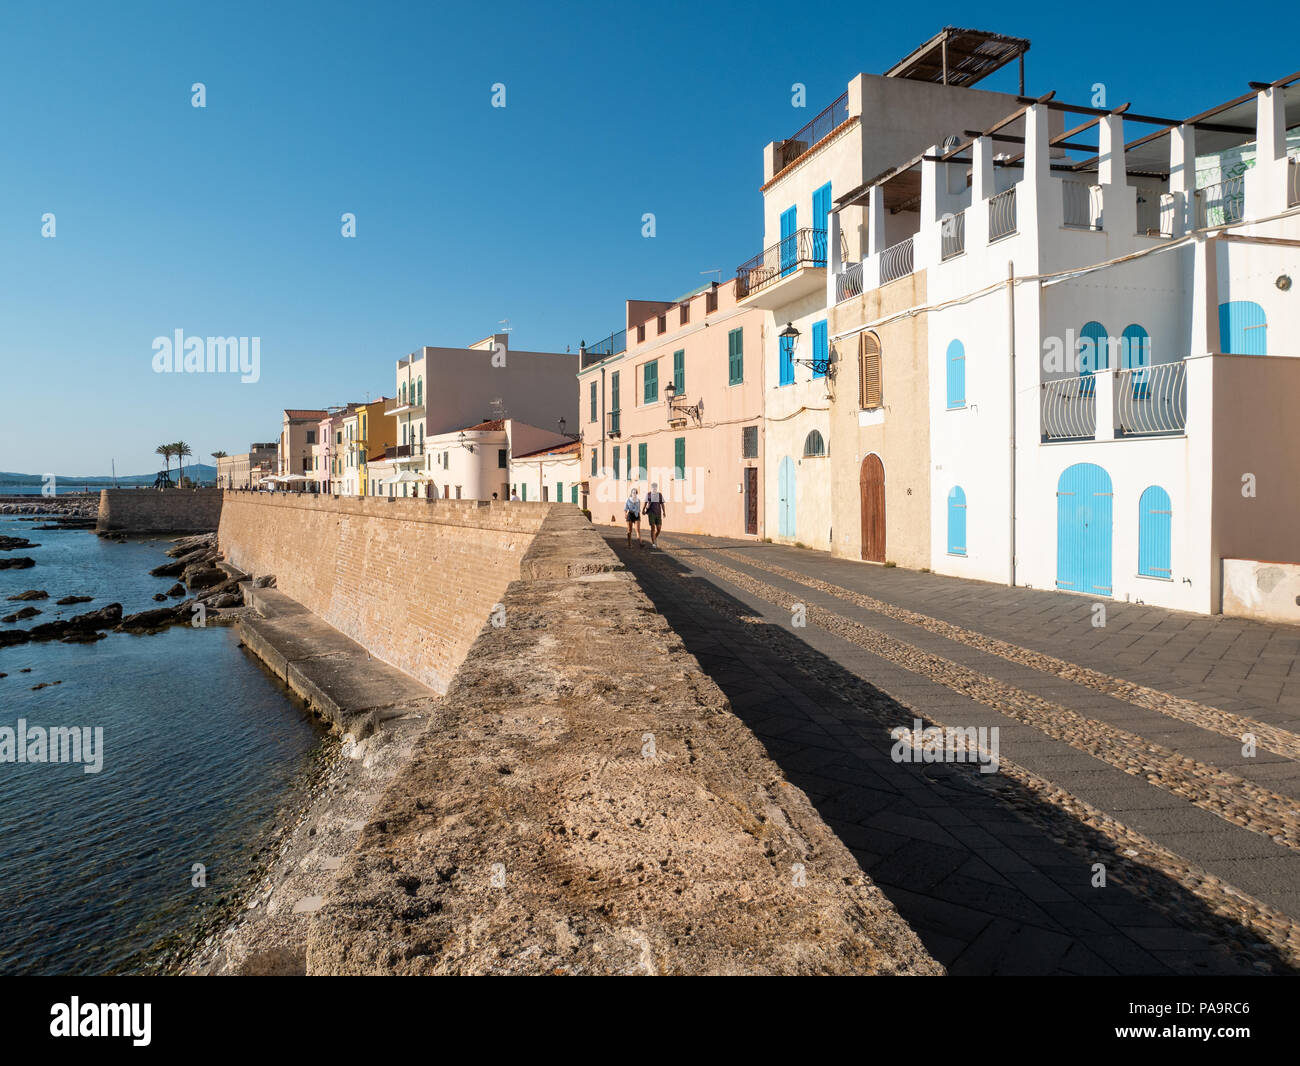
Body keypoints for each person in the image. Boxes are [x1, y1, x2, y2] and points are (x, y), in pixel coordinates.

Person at [644, 482, 666, 547]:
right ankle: (653, 543)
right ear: (652, 487)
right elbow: (645, 503)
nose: (654, 488)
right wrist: (643, 510)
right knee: (653, 527)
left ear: (656, 487)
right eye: (653, 487)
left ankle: (654, 537)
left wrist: (664, 512)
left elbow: (662, 504)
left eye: (655, 487)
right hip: (651, 513)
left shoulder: (659, 495)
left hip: (658, 513)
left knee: (659, 529)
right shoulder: (649, 494)